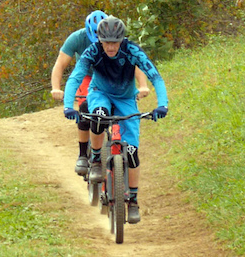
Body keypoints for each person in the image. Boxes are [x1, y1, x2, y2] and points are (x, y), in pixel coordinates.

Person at [62, 16, 169, 224]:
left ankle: (134, 201)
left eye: (115, 41)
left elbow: (155, 77)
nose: (110, 46)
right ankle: (95, 160)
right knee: (99, 116)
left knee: (132, 153)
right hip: (100, 93)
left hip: (126, 99)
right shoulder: (93, 51)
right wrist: (68, 105)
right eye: (106, 41)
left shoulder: (133, 51)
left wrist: (162, 104)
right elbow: (76, 77)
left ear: (122, 39)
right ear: (100, 40)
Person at [50, 10, 150, 176]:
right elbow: (60, 65)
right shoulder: (76, 38)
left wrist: (143, 85)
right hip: (88, 77)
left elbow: (134, 65)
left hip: (111, 78)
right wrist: (56, 88)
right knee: (85, 106)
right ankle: (83, 155)